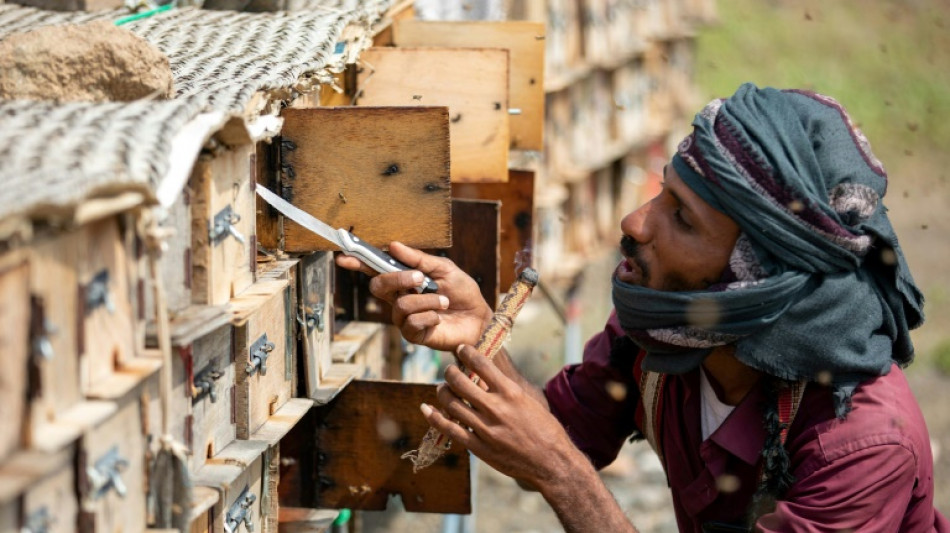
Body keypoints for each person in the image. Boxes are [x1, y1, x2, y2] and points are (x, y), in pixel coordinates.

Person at [337, 83, 949, 532]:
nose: (635, 221)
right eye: (663, 190)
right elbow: (546, 442)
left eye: (680, 217)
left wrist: (566, 478)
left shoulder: (862, 446)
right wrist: (481, 337)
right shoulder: (666, 331)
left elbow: (554, 461)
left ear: (753, 280)